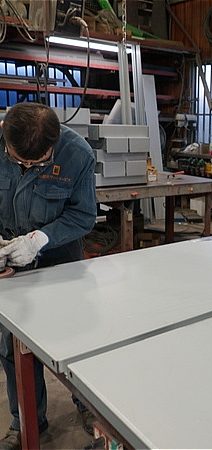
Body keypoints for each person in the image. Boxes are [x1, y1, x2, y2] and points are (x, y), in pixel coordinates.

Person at [0, 102, 97, 450]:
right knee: (12, 346)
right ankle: (26, 420)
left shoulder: (77, 154)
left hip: (59, 257)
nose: (28, 167)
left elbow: (83, 215)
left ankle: (89, 406)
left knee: (74, 338)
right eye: (19, 162)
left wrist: (40, 239)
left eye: (37, 164)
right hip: (9, 262)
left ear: (53, 146)